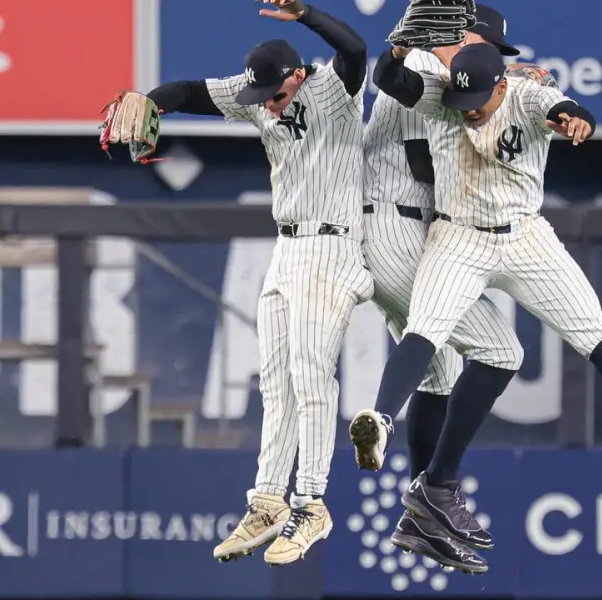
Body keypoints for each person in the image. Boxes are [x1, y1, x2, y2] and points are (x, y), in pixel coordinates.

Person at [366, 39, 602, 555]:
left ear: (502, 83)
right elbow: (389, 80)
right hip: (458, 237)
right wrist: (397, 51)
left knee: (597, 332)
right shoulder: (444, 96)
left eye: (479, 100)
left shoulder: (527, 94)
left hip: (524, 236)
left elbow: (566, 110)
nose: (469, 111)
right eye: (462, 102)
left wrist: (576, 120)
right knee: (425, 331)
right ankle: (380, 422)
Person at [142, 0, 371, 565]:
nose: (265, 104)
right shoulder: (259, 98)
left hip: (334, 242)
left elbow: (357, 49)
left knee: (311, 372)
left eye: (273, 93)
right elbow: (193, 92)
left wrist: (308, 15)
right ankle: (269, 499)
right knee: (275, 381)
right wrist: (150, 102)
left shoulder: (332, 91)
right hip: (287, 247)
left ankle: (311, 502)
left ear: (296, 76)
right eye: (258, 95)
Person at [355, 5, 546, 574]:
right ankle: (432, 485)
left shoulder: (435, 70)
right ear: (464, 39)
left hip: (401, 223)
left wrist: (507, 86)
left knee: (438, 371)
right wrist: (512, 95)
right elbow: (443, 136)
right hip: (396, 224)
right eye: (485, 49)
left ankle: (422, 516)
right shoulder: (419, 63)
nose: (491, 63)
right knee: (501, 350)